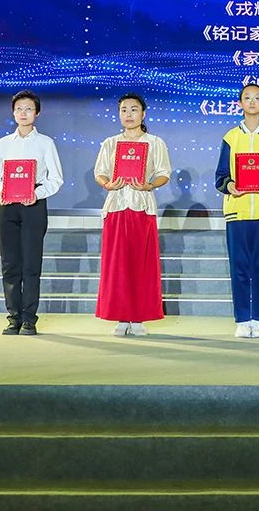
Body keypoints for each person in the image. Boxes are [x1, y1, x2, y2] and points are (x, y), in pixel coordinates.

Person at [0, 89, 64, 335]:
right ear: (13, 113)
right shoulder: (4, 143)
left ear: (37, 113)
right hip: (6, 207)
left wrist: (36, 194)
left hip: (33, 207)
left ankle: (29, 318)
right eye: (19, 109)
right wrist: (3, 191)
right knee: (10, 265)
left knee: (30, 264)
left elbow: (56, 179)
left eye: (29, 108)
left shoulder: (46, 143)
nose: (23, 113)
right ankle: (13, 318)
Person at [214, 83, 259, 339]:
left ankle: (258, 320)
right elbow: (220, 176)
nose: (252, 101)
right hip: (237, 212)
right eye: (247, 98)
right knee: (239, 267)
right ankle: (242, 319)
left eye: (257, 98)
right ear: (240, 104)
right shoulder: (230, 137)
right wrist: (230, 186)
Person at [94, 93, 172, 336]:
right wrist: (107, 184)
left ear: (143, 114)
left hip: (142, 207)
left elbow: (164, 173)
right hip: (116, 206)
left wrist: (150, 185)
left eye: (134, 109)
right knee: (117, 265)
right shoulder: (110, 143)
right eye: (124, 110)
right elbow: (99, 172)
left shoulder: (155, 142)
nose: (128, 114)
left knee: (141, 264)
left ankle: (138, 318)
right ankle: (121, 317)